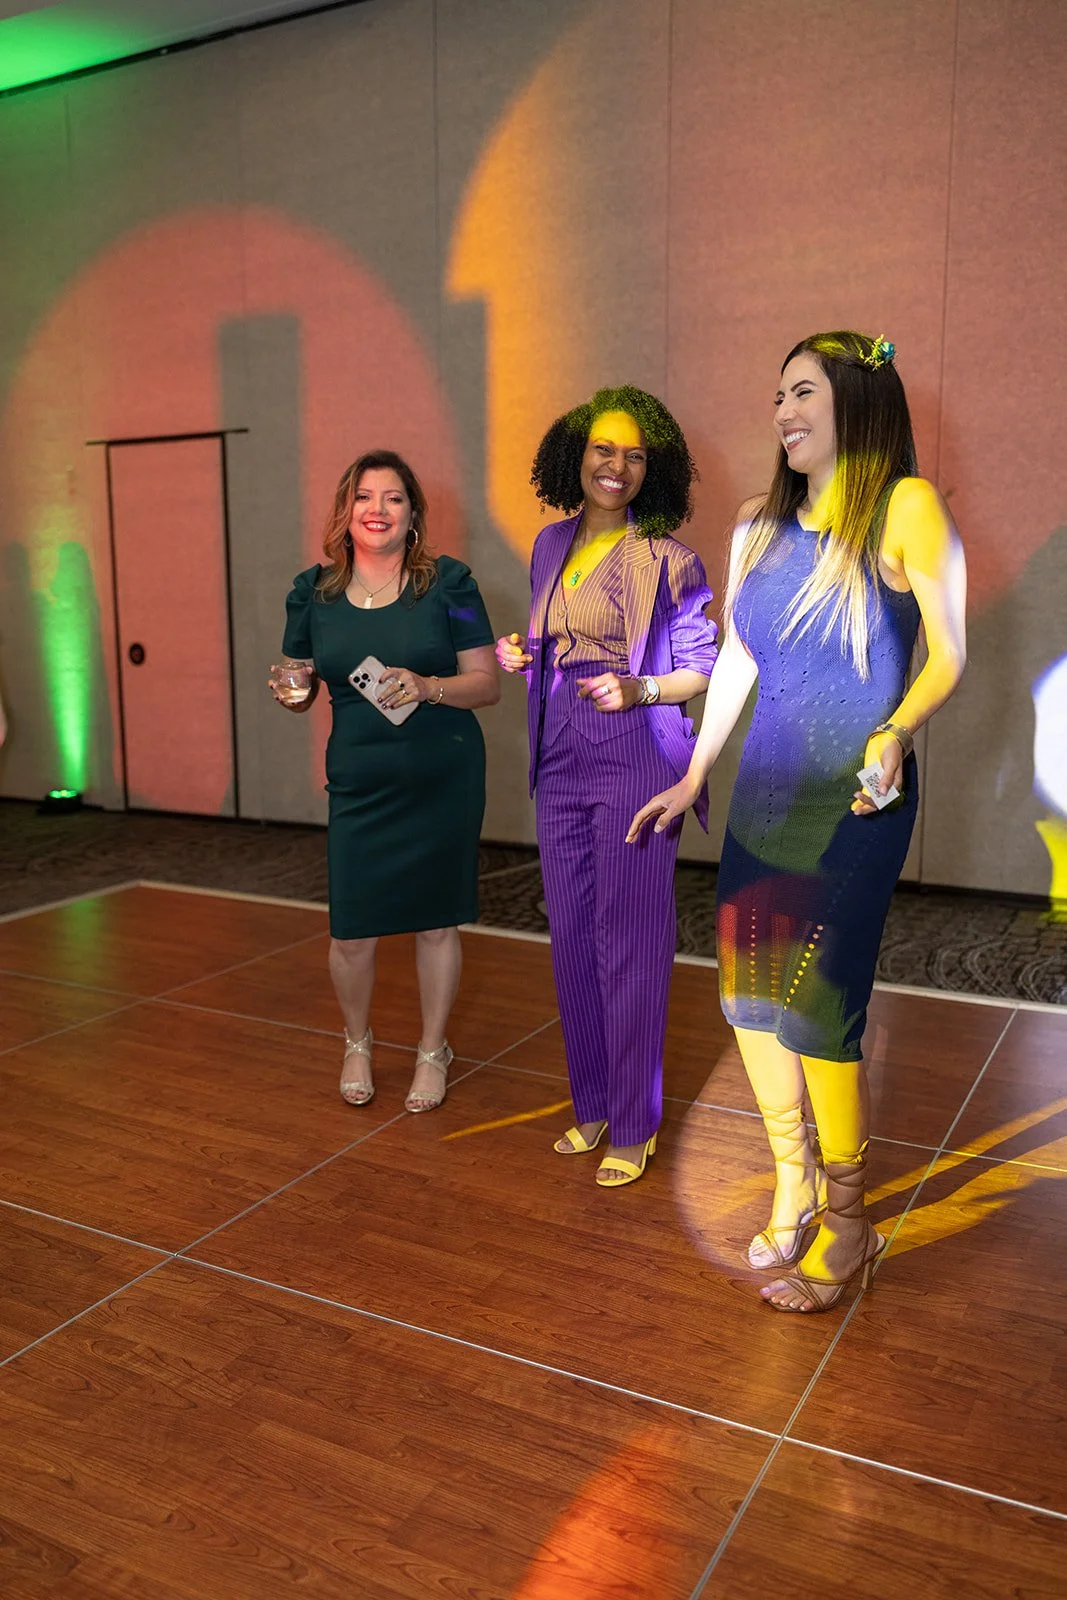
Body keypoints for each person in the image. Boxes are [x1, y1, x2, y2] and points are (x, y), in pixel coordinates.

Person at [630, 332, 967, 1309]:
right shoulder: (753, 524)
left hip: (854, 800)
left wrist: (899, 728)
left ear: (856, 402)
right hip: (763, 796)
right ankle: (793, 1182)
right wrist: (693, 766)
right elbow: (739, 659)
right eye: (776, 393)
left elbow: (946, 650)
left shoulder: (905, 508)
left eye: (803, 392)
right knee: (747, 999)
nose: (781, 410)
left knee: (817, 1007)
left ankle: (850, 1219)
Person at [496, 386, 718, 1186]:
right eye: (602, 449)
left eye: (633, 454)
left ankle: (634, 1121)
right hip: (557, 750)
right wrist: (521, 652)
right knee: (571, 937)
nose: (615, 466)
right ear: (574, 455)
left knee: (629, 943)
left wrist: (641, 688)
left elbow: (703, 668)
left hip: (631, 755)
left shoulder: (668, 558)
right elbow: (551, 633)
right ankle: (591, 1103)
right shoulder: (549, 543)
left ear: (651, 469)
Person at [272, 450, 499, 1113]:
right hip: (359, 780)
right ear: (345, 511)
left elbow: (484, 684)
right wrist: (290, 692)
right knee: (351, 931)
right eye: (364, 497)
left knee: (435, 923)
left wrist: (428, 686)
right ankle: (357, 1040)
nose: (377, 509)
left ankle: (433, 1049)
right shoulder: (311, 593)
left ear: (412, 514)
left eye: (393, 497)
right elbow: (297, 678)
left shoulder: (450, 585)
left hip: (442, 773)